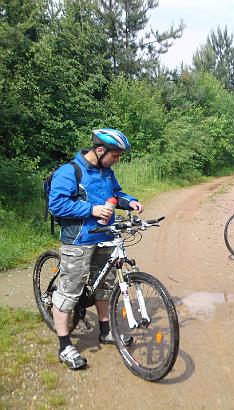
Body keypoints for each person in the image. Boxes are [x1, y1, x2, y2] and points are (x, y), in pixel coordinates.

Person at [48, 128, 144, 370]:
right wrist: (91, 210)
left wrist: (129, 201)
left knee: (105, 286)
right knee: (69, 291)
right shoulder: (70, 172)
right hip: (78, 240)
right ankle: (64, 346)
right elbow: (57, 204)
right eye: (115, 155)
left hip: (105, 237)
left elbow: (116, 194)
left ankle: (106, 331)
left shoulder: (106, 172)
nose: (117, 160)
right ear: (100, 150)